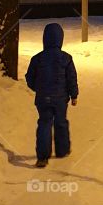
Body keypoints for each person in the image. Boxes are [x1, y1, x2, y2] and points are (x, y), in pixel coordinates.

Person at [25, 22, 79, 167]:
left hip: (43, 98)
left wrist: (38, 88)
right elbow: (71, 78)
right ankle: (62, 150)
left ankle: (42, 157)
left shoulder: (37, 59)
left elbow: (29, 78)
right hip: (61, 99)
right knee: (61, 122)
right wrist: (74, 95)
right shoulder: (66, 58)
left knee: (44, 123)